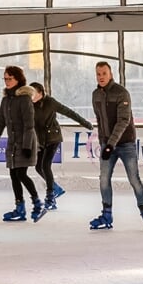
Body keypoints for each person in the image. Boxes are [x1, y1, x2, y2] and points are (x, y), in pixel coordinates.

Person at [91, 62, 143, 231]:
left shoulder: (121, 93)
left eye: (104, 73)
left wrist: (111, 143)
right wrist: (104, 141)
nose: (101, 77)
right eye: (98, 74)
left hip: (125, 143)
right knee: (103, 179)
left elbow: (123, 120)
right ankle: (107, 214)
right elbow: (99, 119)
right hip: (107, 143)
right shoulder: (96, 94)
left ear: (110, 74)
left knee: (134, 179)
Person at [28, 82, 91, 216]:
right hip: (41, 141)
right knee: (38, 167)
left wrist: (85, 123)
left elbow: (68, 112)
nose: (30, 96)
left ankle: (50, 197)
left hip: (53, 138)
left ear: (40, 93)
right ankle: (55, 188)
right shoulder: (29, 106)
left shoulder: (50, 102)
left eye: (33, 93)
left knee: (45, 166)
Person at [0, 66, 41, 221]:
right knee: (13, 174)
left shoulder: (25, 99)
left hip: (25, 142)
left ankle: (37, 203)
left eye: (9, 78)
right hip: (13, 144)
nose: (7, 81)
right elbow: (0, 123)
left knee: (21, 174)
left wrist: (26, 145)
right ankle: (20, 208)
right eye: (5, 79)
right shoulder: (6, 100)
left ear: (18, 79)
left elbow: (29, 124)